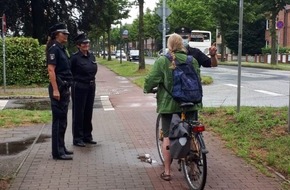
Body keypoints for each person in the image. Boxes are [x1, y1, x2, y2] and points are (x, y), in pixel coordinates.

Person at [144, 33, 204, 181]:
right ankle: (193, 169)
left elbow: (151, 80)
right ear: (182, 45)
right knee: (191, 131)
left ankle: (167, 172)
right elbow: (198, 80)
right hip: (192, 102)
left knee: (167, 135)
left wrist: (148, 88)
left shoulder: (163, 61)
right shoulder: (193, 61)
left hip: (169, 104)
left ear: (169, 46)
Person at [46, 23, 73, 160]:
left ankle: (61, 147)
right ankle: (57, 152)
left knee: (63, 120)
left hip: (64, 87)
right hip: (58, 88)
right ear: (57, 34)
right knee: (58, 120)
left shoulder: (62, 49)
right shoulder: (54, 49)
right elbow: (51, 70)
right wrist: (55, 89)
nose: (66, 35)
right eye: (64, 33)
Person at [70, 33, 98, 147]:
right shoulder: (75, 58)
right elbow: (70, 72)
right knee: (78, 112)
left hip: (91, 85)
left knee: (88, 111)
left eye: (87, 43)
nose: (86, 45)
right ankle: (78, 138)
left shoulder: (92, 56)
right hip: (79, 86)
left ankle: (87, 136)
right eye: (83, 43)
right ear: (78, 45)